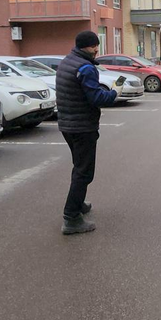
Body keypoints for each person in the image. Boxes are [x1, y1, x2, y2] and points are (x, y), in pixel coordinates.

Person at [55, 31, 122, 235]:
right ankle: (71, 218)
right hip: (82, 127)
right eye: (95, 46)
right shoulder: (85, 67)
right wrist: (114, 92)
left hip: (68, 125)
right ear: (87, 46)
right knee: (84, 172)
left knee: (78, 167)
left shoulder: (68, 61)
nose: (96, 50)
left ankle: (79, 203)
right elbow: (97, 98)